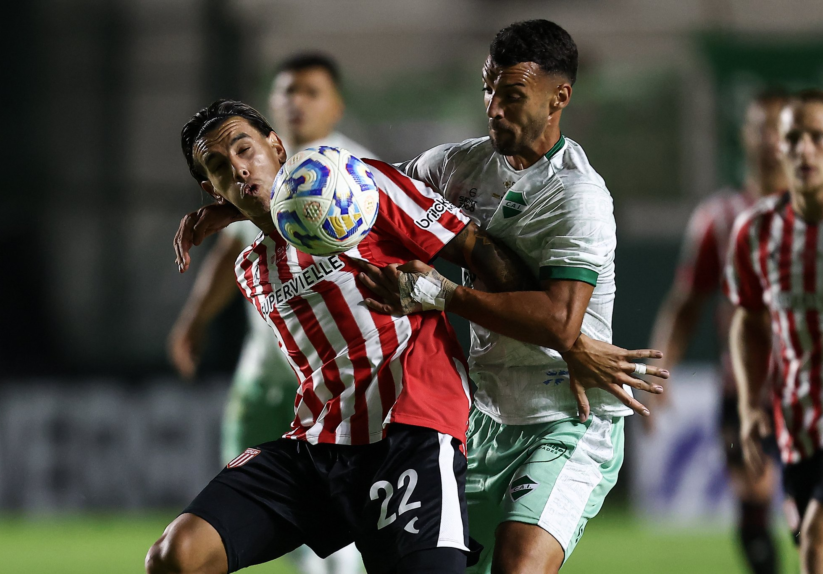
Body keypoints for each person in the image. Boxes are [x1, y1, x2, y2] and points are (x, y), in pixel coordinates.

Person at [152, 99, 663, 574]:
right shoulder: (251, 268)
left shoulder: (360, 190)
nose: (239, 168)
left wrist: (569, 341)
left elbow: (480, 253)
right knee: (177, 555)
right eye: (219, 167)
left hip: (410, 437)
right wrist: (240, 211)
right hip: (316, 447)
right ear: (212, 188)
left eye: (244, 149)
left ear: (277, 146)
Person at [353, 19, 668, 574]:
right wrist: (251, 198)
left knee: (519, 566)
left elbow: (558, 321)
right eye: (488, 89)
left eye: (512, 95)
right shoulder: (456, 166)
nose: (494, 108)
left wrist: (443, 294)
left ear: (559, 98)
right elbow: (362, 194)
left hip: (568, 417)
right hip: (484, 415)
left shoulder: (578, 196)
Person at [167, 54, 373, 574]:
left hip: (341, 384)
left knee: (335, 526)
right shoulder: (246, 172)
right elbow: (230, 252)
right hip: (264, 377)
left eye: (310, 91)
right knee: (250, 515)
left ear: (336, 105)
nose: (295, 102)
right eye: (286, 92)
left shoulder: (351, 170)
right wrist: (195, 319)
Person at [648, 91, 788, 574]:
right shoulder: (719, 216)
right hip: (744, 391)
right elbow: (686, 303)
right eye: (760, 127)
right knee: (753, 501)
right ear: (746, 136)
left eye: (781, 129)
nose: (770, 140)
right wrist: (660, 368)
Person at [727, 90, 823, 574]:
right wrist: (748, 405)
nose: (805, 150)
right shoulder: (756, 231)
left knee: (816, 544)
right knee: (806, 537)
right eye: (794, 138)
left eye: (818, 137)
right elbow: (748, 320)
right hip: (797, 428)